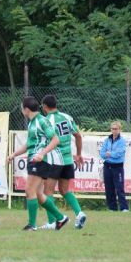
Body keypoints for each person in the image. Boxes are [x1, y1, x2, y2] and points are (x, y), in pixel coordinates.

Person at [8, 96, 69, 231]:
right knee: (40, 195)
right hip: (34, 159)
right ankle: (61, 218)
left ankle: (32, 225)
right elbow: (29, 145)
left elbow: (55, 139)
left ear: (26, 109)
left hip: (40, 161)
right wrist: (14, 154)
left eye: (21, 108)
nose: (21, 110)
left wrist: (42, 153)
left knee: (29, 190)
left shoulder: (42, 121)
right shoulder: (32, 123)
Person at [40, 95, 87, 230]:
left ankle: (52, 222)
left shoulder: (46, 120)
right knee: (64, 189)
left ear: (45, 107)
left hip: (54, 160)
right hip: (67, 159)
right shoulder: (67, 117)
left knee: (47, 191)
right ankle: (79, 213)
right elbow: (77, 135)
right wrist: (78, 154)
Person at [100, 121, 129, 212]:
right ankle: (112, 208)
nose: (114, 130)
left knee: (119, 188)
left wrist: (110, 154)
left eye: (116, 129)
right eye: (112, 129)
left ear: (119, 129)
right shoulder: (107, 140)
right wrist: (108, 154)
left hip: (118, 167)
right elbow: (102, 153)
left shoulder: (122, 141)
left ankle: (124, 208)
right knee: (109, 188)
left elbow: (119, 153)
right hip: (107, 166)